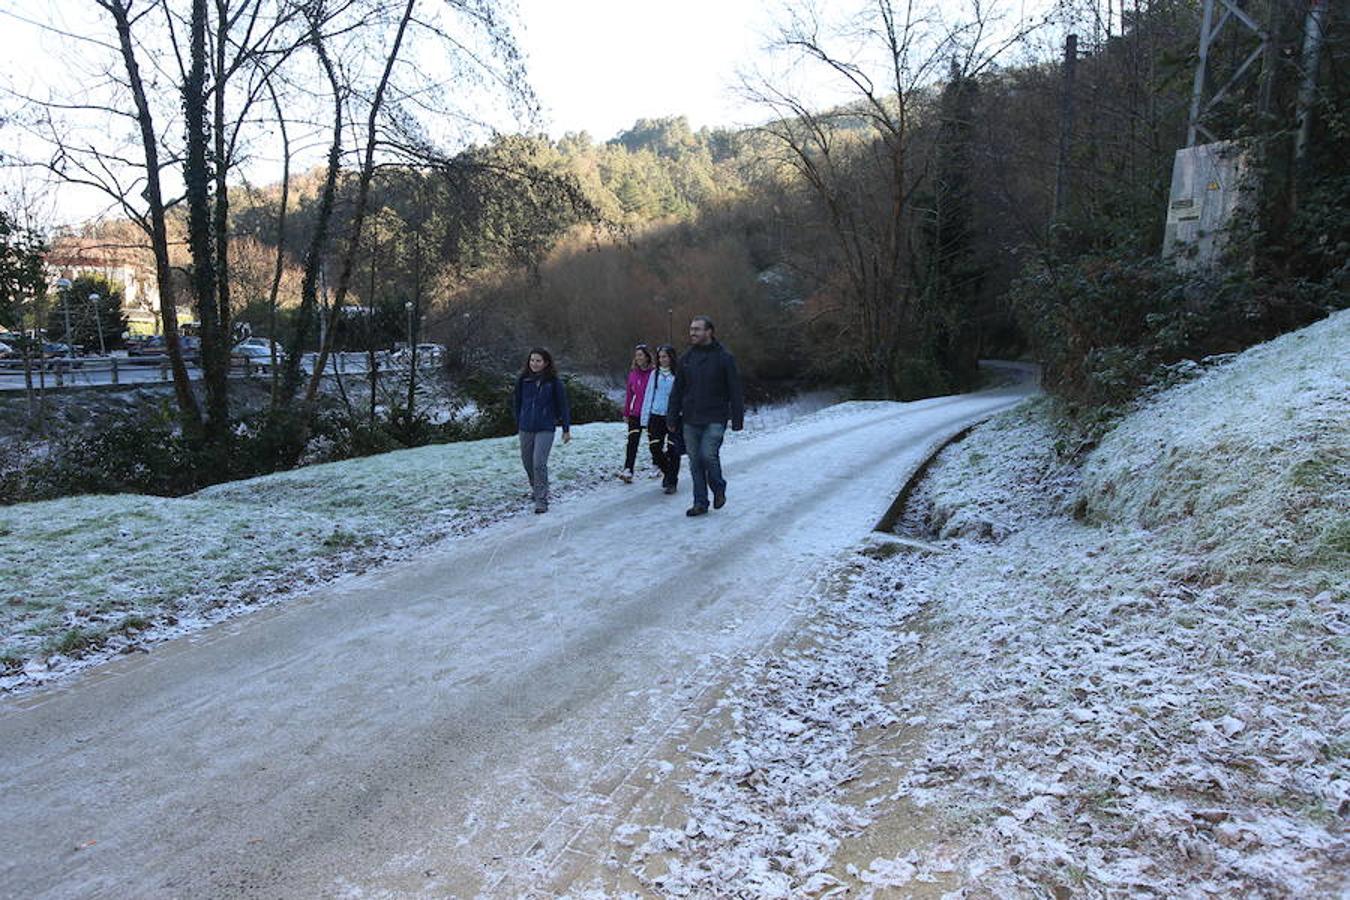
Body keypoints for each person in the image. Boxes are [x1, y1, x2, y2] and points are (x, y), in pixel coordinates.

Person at [667, 316, 744, 516]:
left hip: (715, 417)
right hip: (690, 418)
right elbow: (677, 390)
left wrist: (737, 418)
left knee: (708, 455)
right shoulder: (686, 359)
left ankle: (718, 488)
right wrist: (672, 417)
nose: (692, 333)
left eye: (697, 329)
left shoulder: (724, 358)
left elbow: (735, 390)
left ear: (709, 332)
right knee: (695, 462)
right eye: (691, 329)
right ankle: (700, 502)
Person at [513, 347, 571, 513]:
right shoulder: (523, 380)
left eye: (538, 361)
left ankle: (541, 499)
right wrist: (519, 421)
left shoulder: (554, 383)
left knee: (539, 463)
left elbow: (563, 407)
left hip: (545, 428)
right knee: (527, 462)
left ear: (545, 363)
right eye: (532, 360)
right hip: (526, 427)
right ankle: (536, 487)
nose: (534, 364)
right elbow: (516, 403)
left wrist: (566, 429)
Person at [641, 344, 681, 494]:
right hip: (656, 415)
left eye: (665, 356)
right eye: (660, 357)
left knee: (673, 450)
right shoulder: (655, 374)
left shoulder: (678, 374)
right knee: (655, 447)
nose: (662, 360)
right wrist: (645, 418)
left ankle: (672, 481)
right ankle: (669, 473)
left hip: (672, 416)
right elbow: (649, 395)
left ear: (671, 357)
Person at [620, 344, 655, 483]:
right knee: (632, 441)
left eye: (641, 355)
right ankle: (628, 469)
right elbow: (629, 395)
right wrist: (626, 412)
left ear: (647, 356)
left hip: (651, 413)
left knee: (654, 442)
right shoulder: (633, 374)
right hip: (635, 413)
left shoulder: (654, 374)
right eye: (637, 355)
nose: (638, 358)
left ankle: (656, 465)